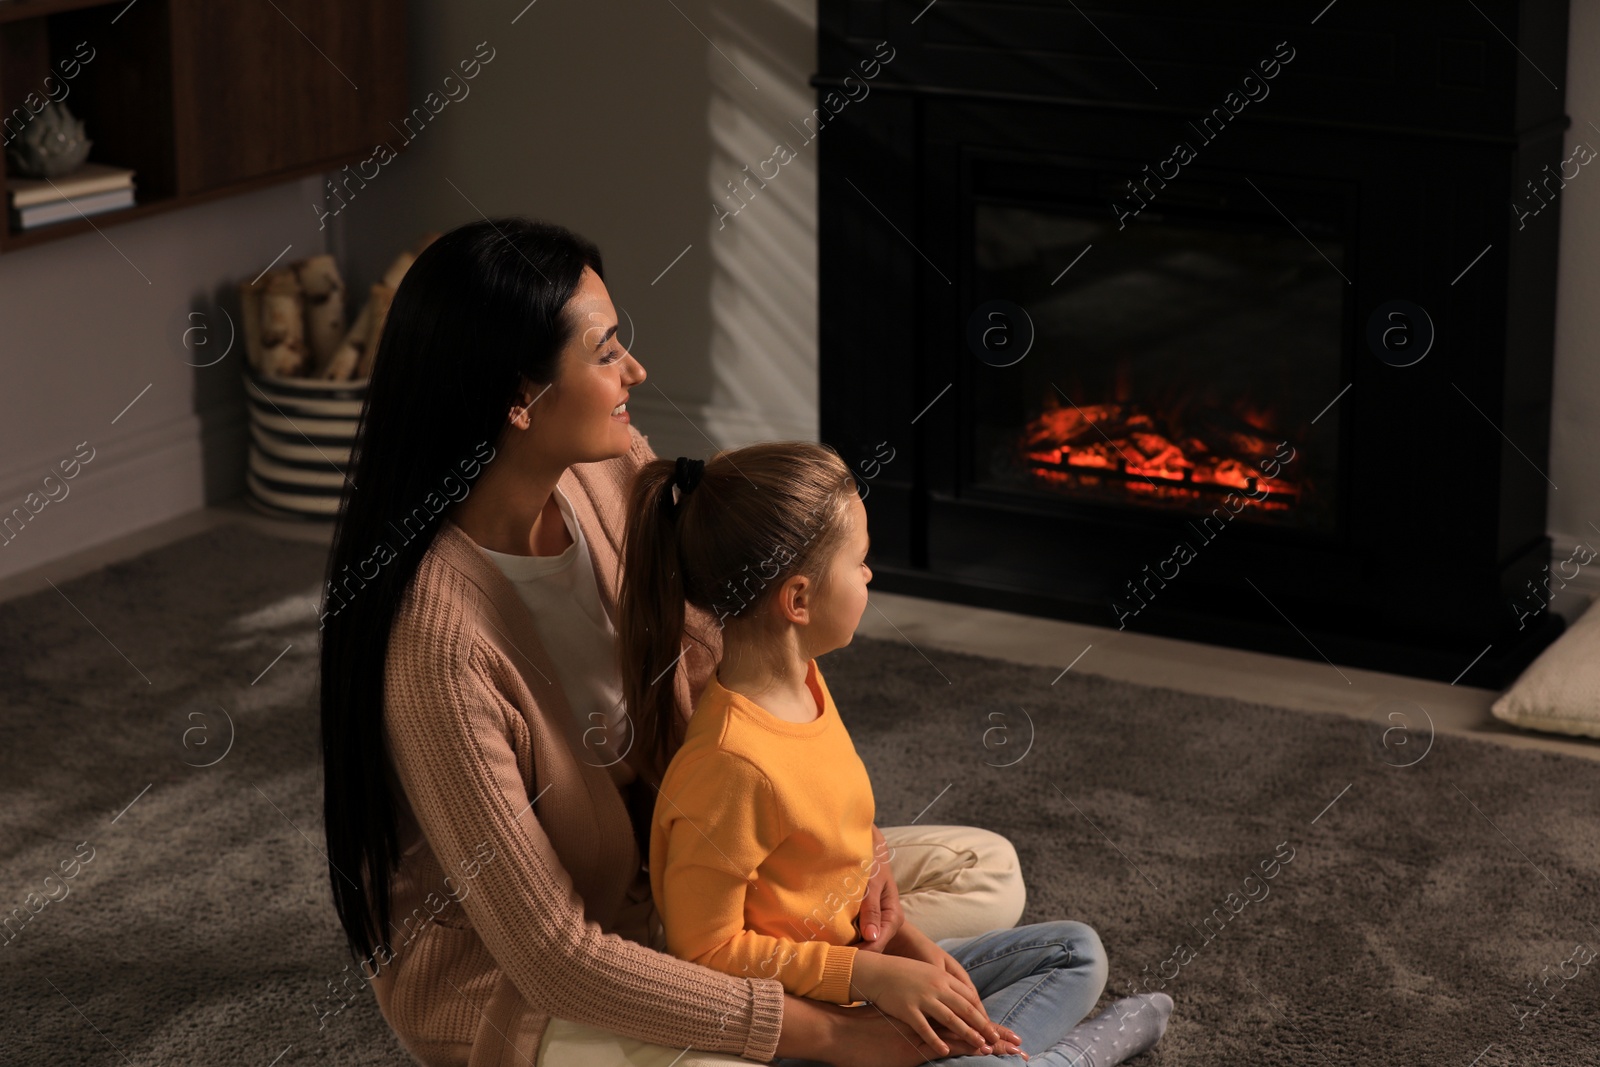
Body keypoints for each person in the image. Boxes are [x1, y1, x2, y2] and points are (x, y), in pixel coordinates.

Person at [317, 216, 1033, 1067]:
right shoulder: (439, 648)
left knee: (985, 871)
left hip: (692, 893)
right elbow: (555, 957)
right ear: (520, 397)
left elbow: (740, 701)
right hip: (531, 982)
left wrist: (864, 867)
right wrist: (839, 1025)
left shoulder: (612, 474)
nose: (635, 371)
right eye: (606, 350)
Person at [618, 442, 1175, 1067]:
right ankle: (1079, 1054)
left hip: (866, 972)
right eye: (859, 562)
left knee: (1078, 951)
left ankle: (992, 1056)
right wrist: (865, 977)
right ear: (798, 602)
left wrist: (907, 944)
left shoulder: (806, 681)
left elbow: (841, 852)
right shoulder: (729, 766)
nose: (869, 576)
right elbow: (705, 956)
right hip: (806, 1019)